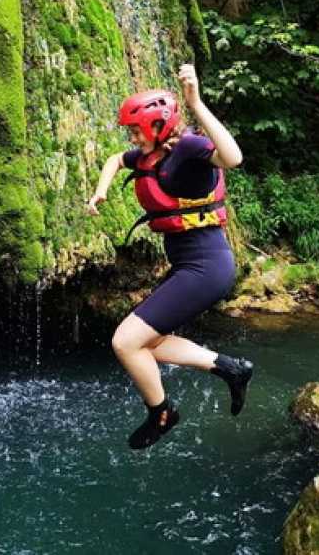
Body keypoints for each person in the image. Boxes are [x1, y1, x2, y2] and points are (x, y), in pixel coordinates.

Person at [86, 64, 253, 449]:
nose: (131, 137)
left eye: (136, 130)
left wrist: (196, 102)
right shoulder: (149, 155)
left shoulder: (190, 149)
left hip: (207, 267)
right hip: (190, 266)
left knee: (125, 342)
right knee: (149, 343)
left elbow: (233, 157)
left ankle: (162, 413)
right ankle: (231, 368)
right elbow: (115, 159)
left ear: (161, 126)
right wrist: (101, 191)